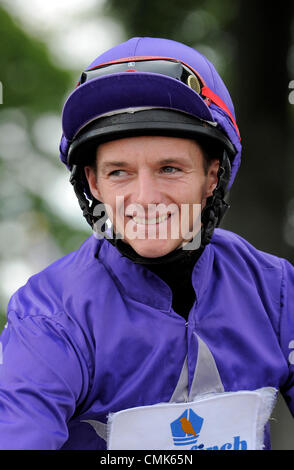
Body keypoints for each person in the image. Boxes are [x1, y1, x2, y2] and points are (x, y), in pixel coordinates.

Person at [0, 36, 293, 451]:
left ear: (213, 176)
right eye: (119, 172)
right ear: (93, 182)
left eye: (169, 168)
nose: (146, 198)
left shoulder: (277, 290)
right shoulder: (49, 316)